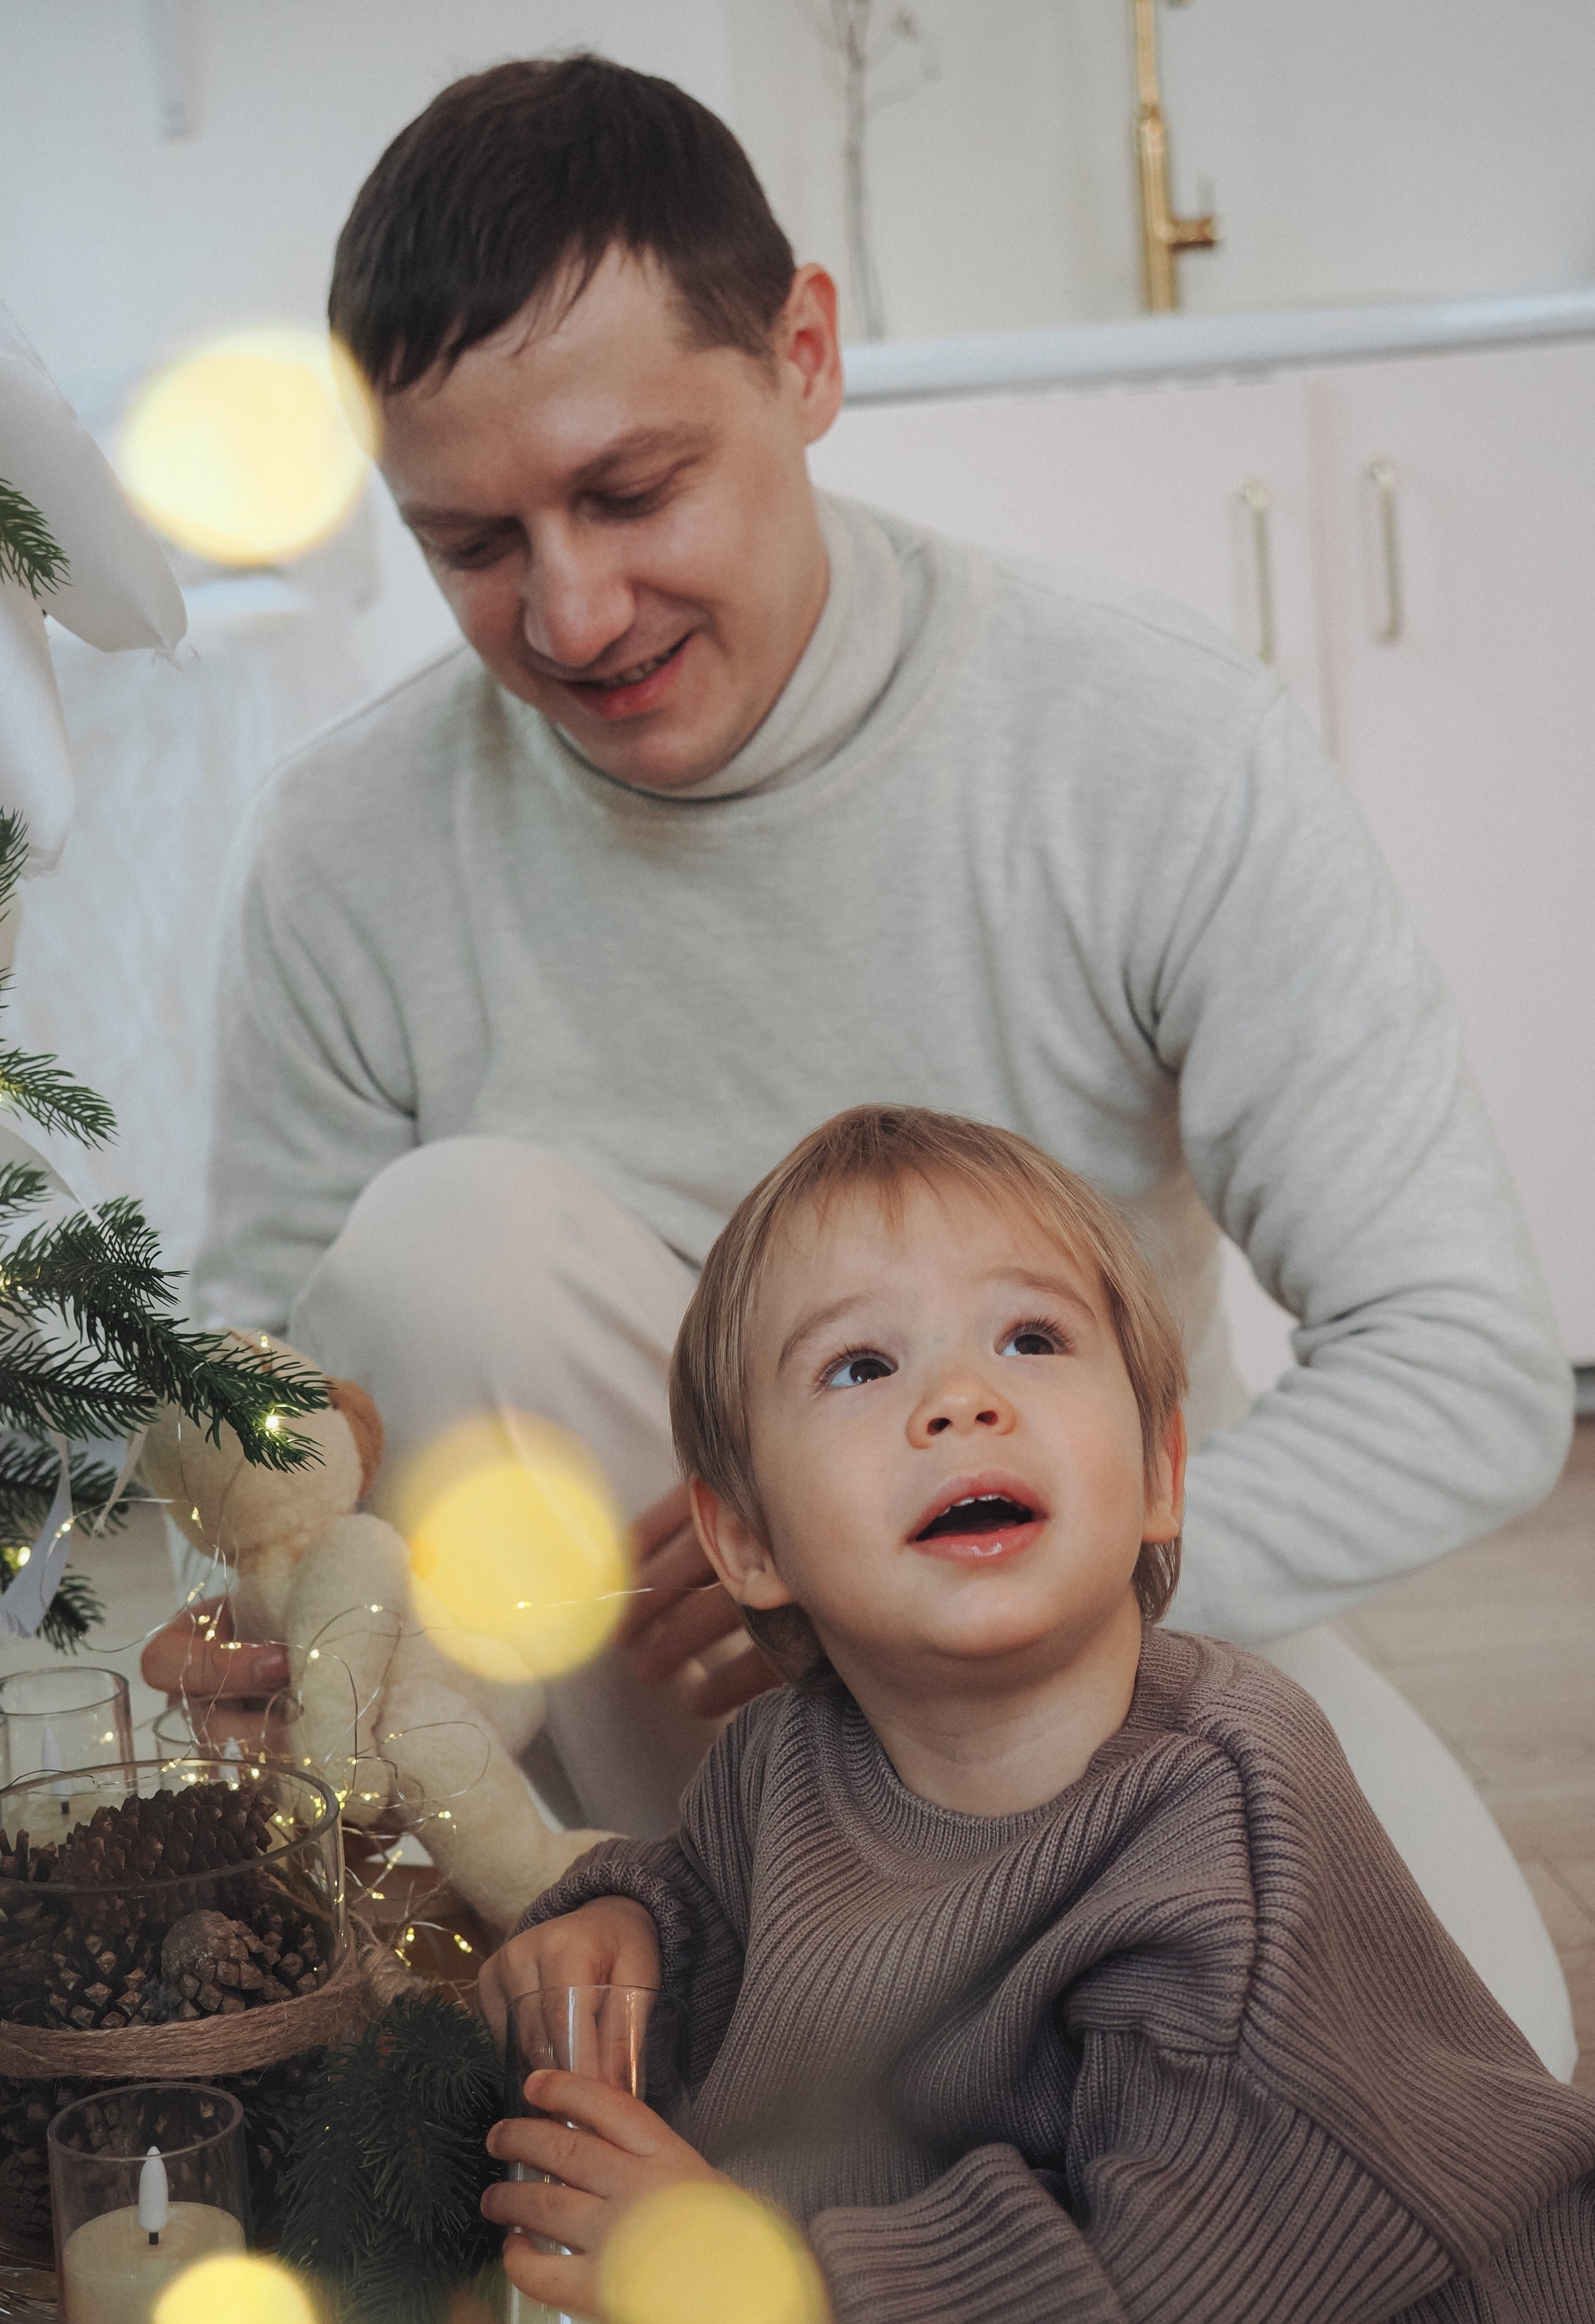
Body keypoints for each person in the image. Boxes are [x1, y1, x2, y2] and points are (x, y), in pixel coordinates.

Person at [153, 55, 1573, 2052]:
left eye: (633, 491)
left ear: (806, 356)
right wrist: (271, 1589)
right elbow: (272, 1396)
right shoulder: (352, 840)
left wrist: (1010, 1570)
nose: (570, 608)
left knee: (1497, 2057)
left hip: (1094, 1637)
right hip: (688, 1706)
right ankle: (729, 1969)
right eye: (474, 542)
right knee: (439, 1240)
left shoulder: (1147, 741)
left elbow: (1472, 1369)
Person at [477, 1106, 1595, 2324]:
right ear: (745, 1539)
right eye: (862, 1366)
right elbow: (725, 1912)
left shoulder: (1226, 1849)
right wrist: (630, 1926)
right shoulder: (788, 1756)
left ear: (1164, 1473)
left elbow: (1153, 2292)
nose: (961, 1399)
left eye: (1031, 1337)